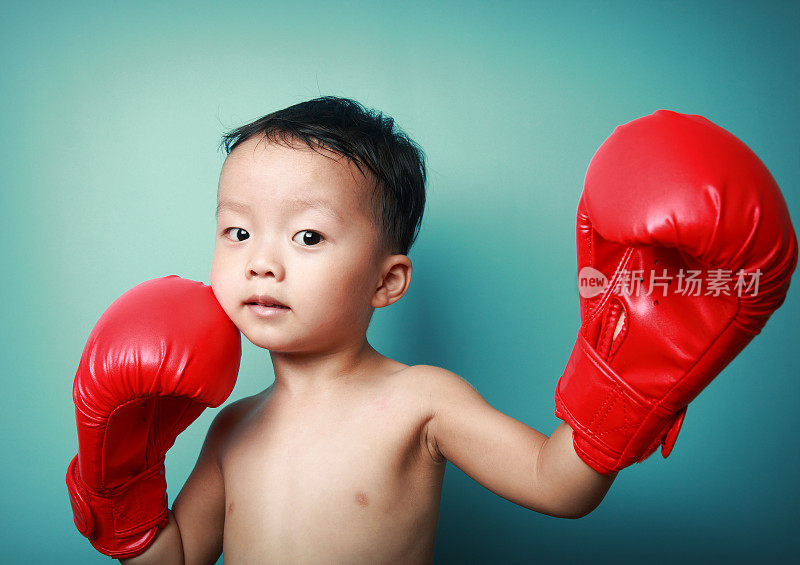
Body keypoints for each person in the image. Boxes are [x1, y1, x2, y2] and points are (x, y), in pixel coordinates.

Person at [66, 98, 797, 564]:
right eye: (238, 229)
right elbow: (178, 557)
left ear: (388, 282)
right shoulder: (231, 427)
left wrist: (627, 386)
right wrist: (119, 480)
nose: (262, 261)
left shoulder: (420, 401)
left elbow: (558, 484)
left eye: (309, 236)